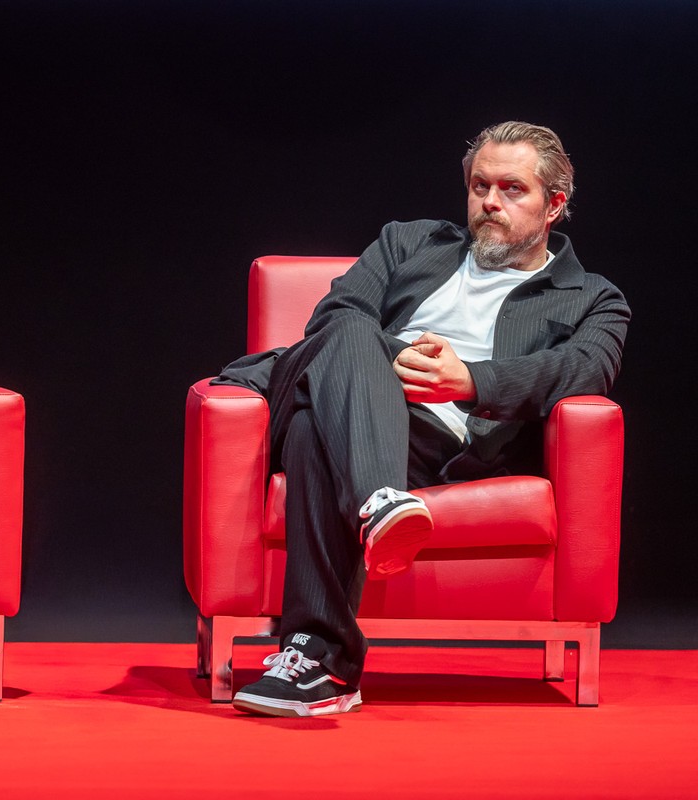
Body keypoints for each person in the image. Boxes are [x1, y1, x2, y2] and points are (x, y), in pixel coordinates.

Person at [217, 121, 630, 718]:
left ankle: (316, 658)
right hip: (338, 384)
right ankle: (380, 501)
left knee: (314, 434)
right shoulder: (407, 242)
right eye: (480, 186)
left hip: (439, 441)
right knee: (352, 330)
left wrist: (470, 380)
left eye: (512, 189)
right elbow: (334, 317)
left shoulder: (592, 297)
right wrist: (391, 357)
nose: (490, 202)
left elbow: (584, 370)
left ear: (554, 205)